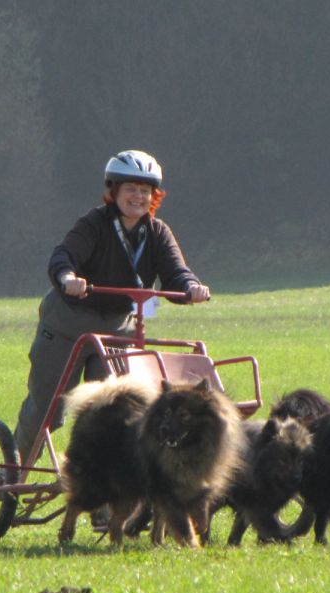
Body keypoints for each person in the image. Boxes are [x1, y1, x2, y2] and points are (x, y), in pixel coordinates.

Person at [14, 149, 210, 463]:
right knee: (49, 408)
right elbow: (64, 256)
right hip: (68, 324)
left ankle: (99, 485)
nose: (138, 197)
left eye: (145, 191)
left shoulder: (157, 233)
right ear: (113, 191)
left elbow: (176, 272)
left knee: (112, 412)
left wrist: (190, 287)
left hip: (117, 329)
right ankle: (16, 467)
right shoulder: (94, 224)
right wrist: (68, 277)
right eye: (130, 189)